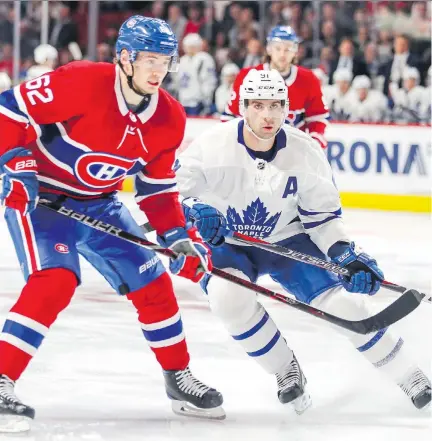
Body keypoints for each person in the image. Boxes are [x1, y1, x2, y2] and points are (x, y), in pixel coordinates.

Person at [0, 15, 224, 433]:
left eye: (166, 61)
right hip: (43, 200)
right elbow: (10, 108)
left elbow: (156, 190)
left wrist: (178, 238)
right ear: (124, 57)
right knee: (56, 280)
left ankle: (178, 378)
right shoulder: (82, 81)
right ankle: (1, 379)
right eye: (150, 60)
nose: (159, 71)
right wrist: (16, 162)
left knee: (154, 284)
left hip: (100, 206)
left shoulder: (170, 119)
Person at [176, 69, 431, 413]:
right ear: (242, 106)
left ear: (287, 108)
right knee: (227, 299)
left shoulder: (305, 151)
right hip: (229, 243)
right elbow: (173, 193)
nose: (267, 115)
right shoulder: (212, 145)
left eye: (276, 105)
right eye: (258, 105)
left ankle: (410, 376)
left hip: (287, 241)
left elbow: (323, 218)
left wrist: (344, 254)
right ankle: (286, 370)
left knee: (344, 306)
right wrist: (194, 210)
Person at [222, 26, 329, 150]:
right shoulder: (248, 77)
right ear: (269, 49)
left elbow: (318, 118)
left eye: (288, 49)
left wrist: (313, 142)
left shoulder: (309, 79)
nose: (282, 54)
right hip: (253, 149)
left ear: (295, 51)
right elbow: (230, 117)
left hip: (293, 150)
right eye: (278, 48)